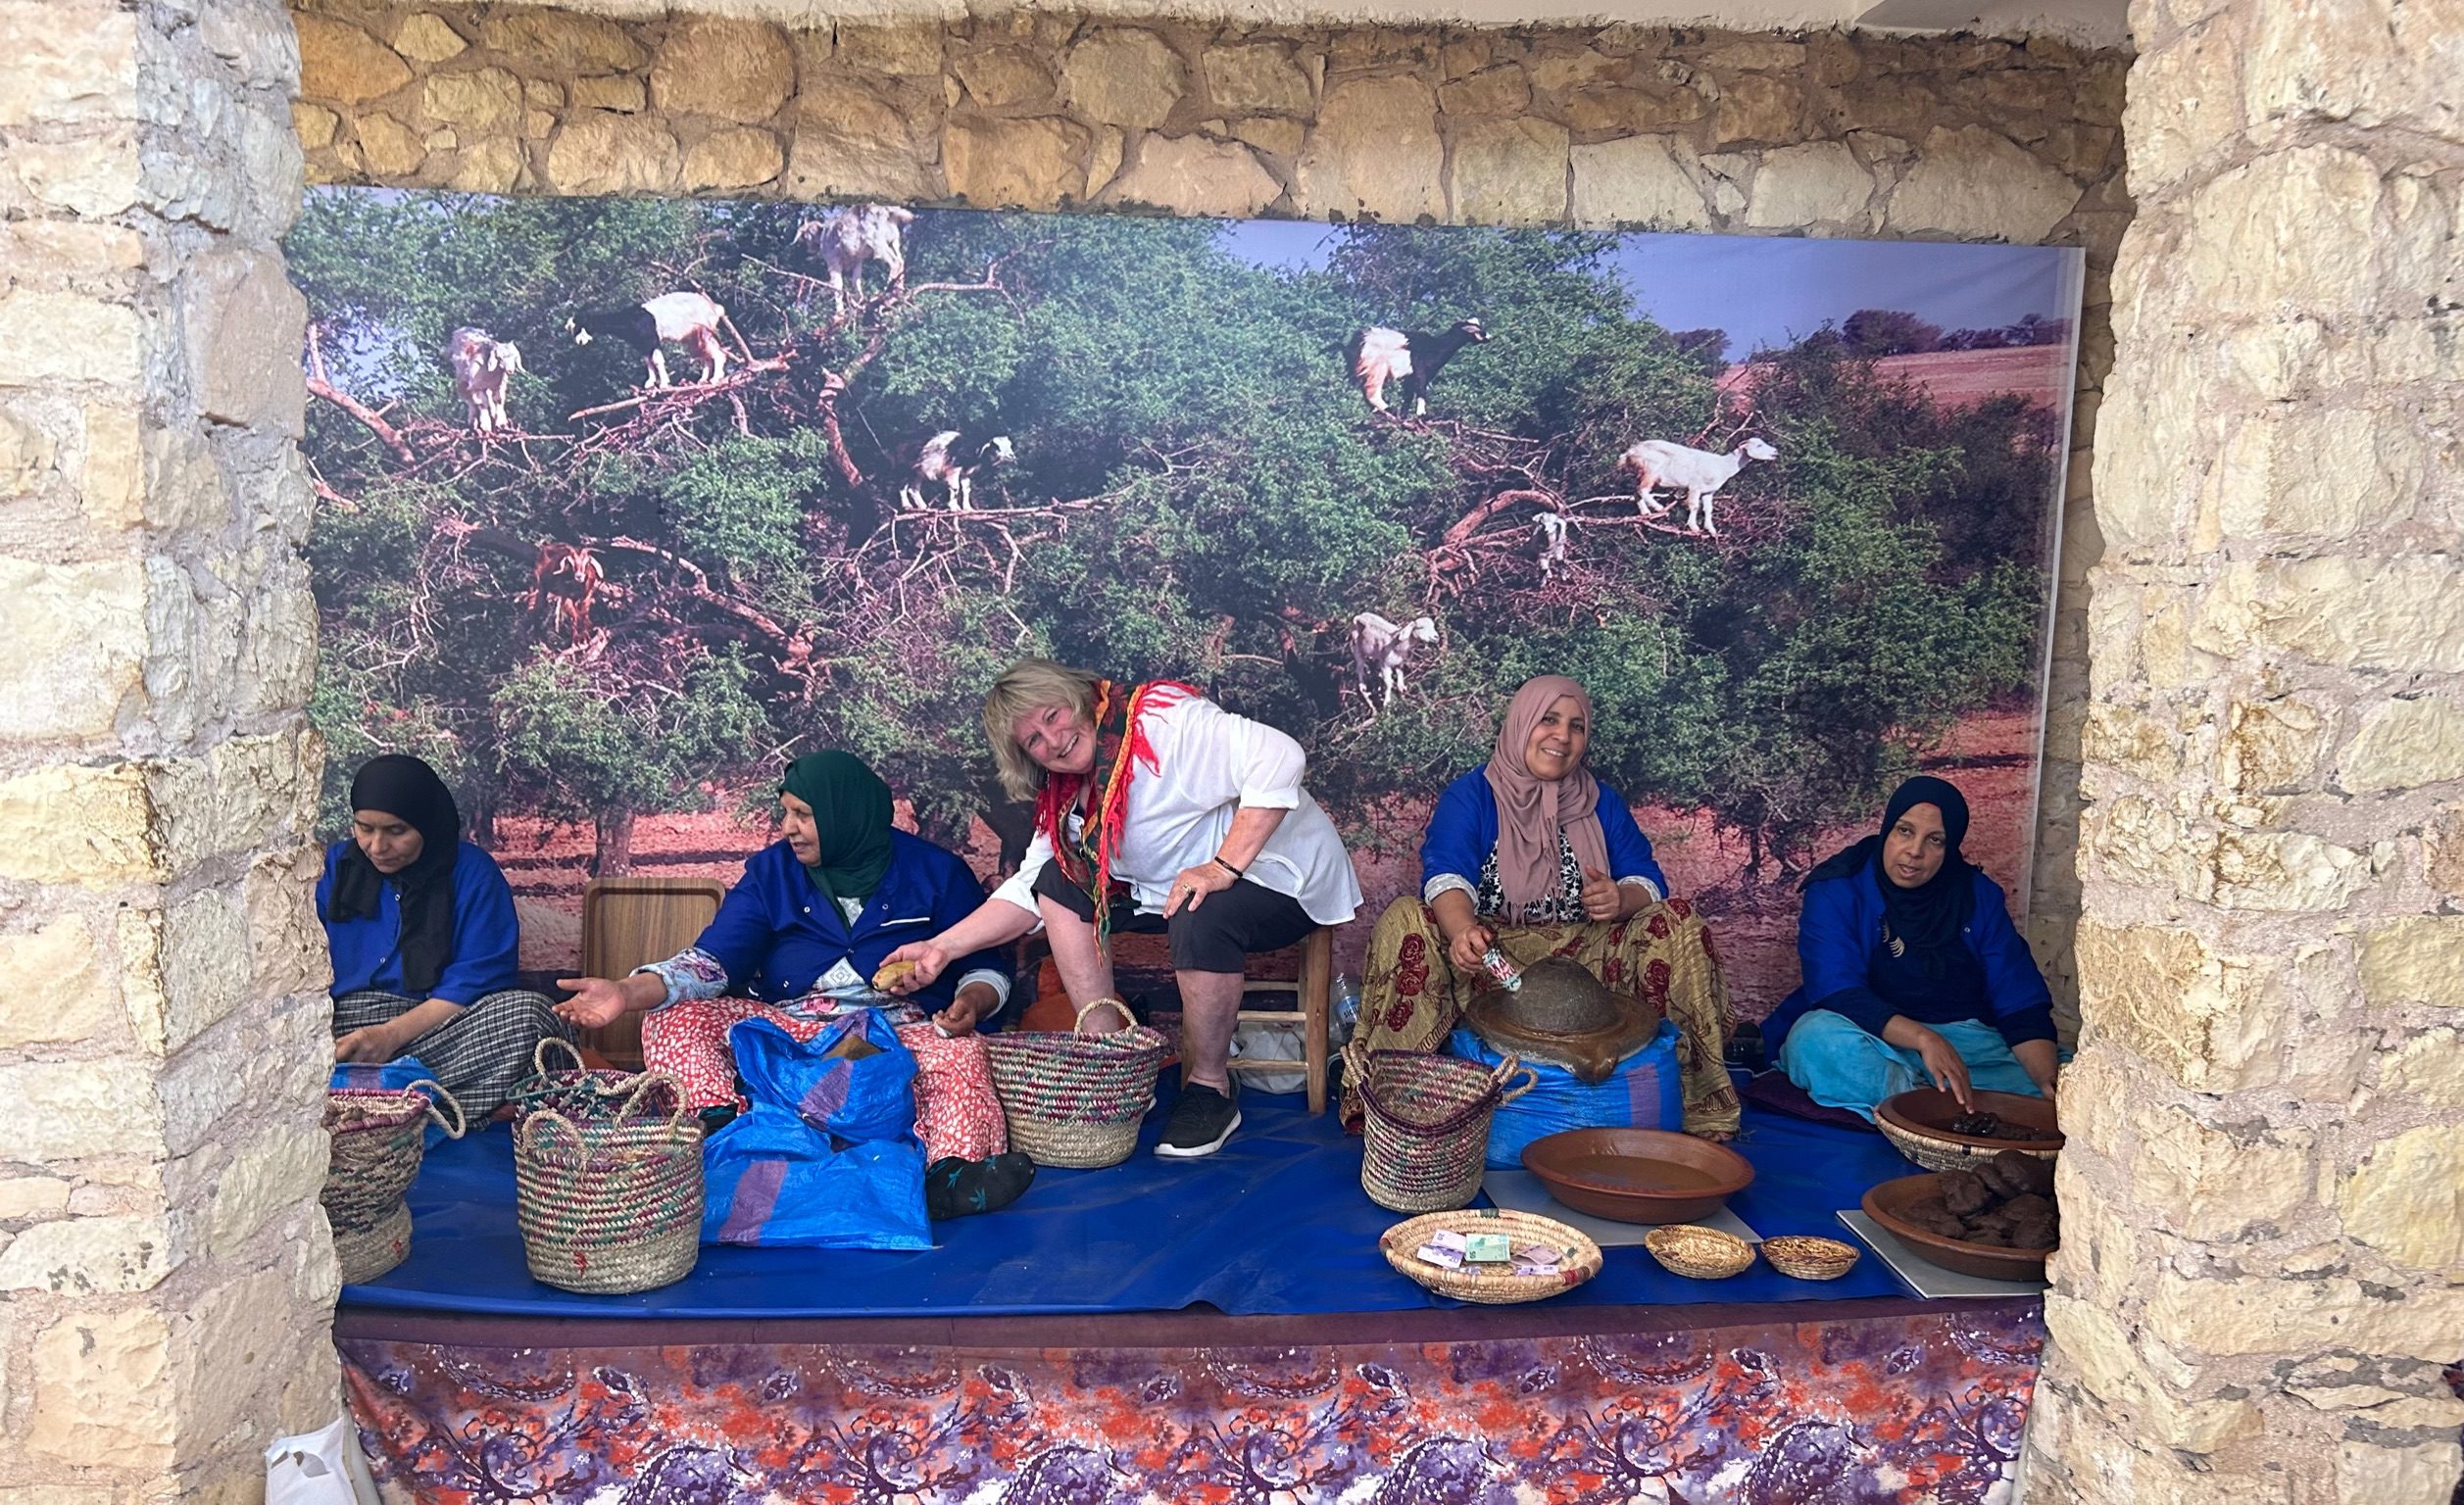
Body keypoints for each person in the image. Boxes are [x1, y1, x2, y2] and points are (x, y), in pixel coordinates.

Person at [880, 660, 1363, 1159]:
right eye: (1034, 741)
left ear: (1079, 698)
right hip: (1163, 887)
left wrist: (1222, 867)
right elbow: (1028, 891)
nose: (1054, 739)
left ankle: (1209, 1088)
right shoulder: (1064, 795)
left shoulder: (1162, 722)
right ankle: (1113, 1064)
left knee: (1200, 907)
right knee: (1059, 883)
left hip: (1278, 876)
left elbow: (1281, 756)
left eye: (1054, 715)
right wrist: (940, 947)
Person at [556, 752, 1029, 1217]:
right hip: (794, 1033)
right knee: (676, 1017)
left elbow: (985, 964)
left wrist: (971, 1001)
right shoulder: (772, 873)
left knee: (961, 1052)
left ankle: (949, 1176)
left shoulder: (936, 872)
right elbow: (710, 963)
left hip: (896, 1035)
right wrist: (625, 991)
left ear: (845, 814)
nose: (788, 827)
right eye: (785, 812)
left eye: (803, 814)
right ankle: (716, 1135)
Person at [1350, 675, 1741, 1139]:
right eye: (1548, 720)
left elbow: (1646, 879)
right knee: (1407, 917)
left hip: (1586, 967)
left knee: (1675, 920)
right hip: (1495, 964)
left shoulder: (1600, 801)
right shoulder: (1473, 794)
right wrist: (1462, 933)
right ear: (1520, 724)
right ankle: (1406, 1109)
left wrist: (1620, 898)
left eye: (1577, 726)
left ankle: (1694, 1102)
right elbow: (1445, 875)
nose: (1562, 736)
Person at [1761, 775, 2059, 1119]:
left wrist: (2045, 1082)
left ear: (1950, 849)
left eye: (1935, 840)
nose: (1915, 851)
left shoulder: (1976, 896)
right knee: (1815, 1041)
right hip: (1873, 1037)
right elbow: (1837, 991)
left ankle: (1935, 1105)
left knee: (2066, 1075)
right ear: (1888, 828)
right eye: (1904, 831)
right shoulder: (1838, 888)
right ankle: (1936, 1108)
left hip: (1968, 1048)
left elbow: (2019, 1000)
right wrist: (1925, 1040)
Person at [320, 754, 567, 1119]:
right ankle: (424, 1101)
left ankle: (371, 1100)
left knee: (532, 1017)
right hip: (342, 1030)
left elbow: (471, 983)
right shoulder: (332, 867)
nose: (376, 847)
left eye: (396, 831)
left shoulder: (471, 873)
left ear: (427, 822)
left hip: (438, 1029)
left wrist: (389, 1035)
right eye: (364, 828)